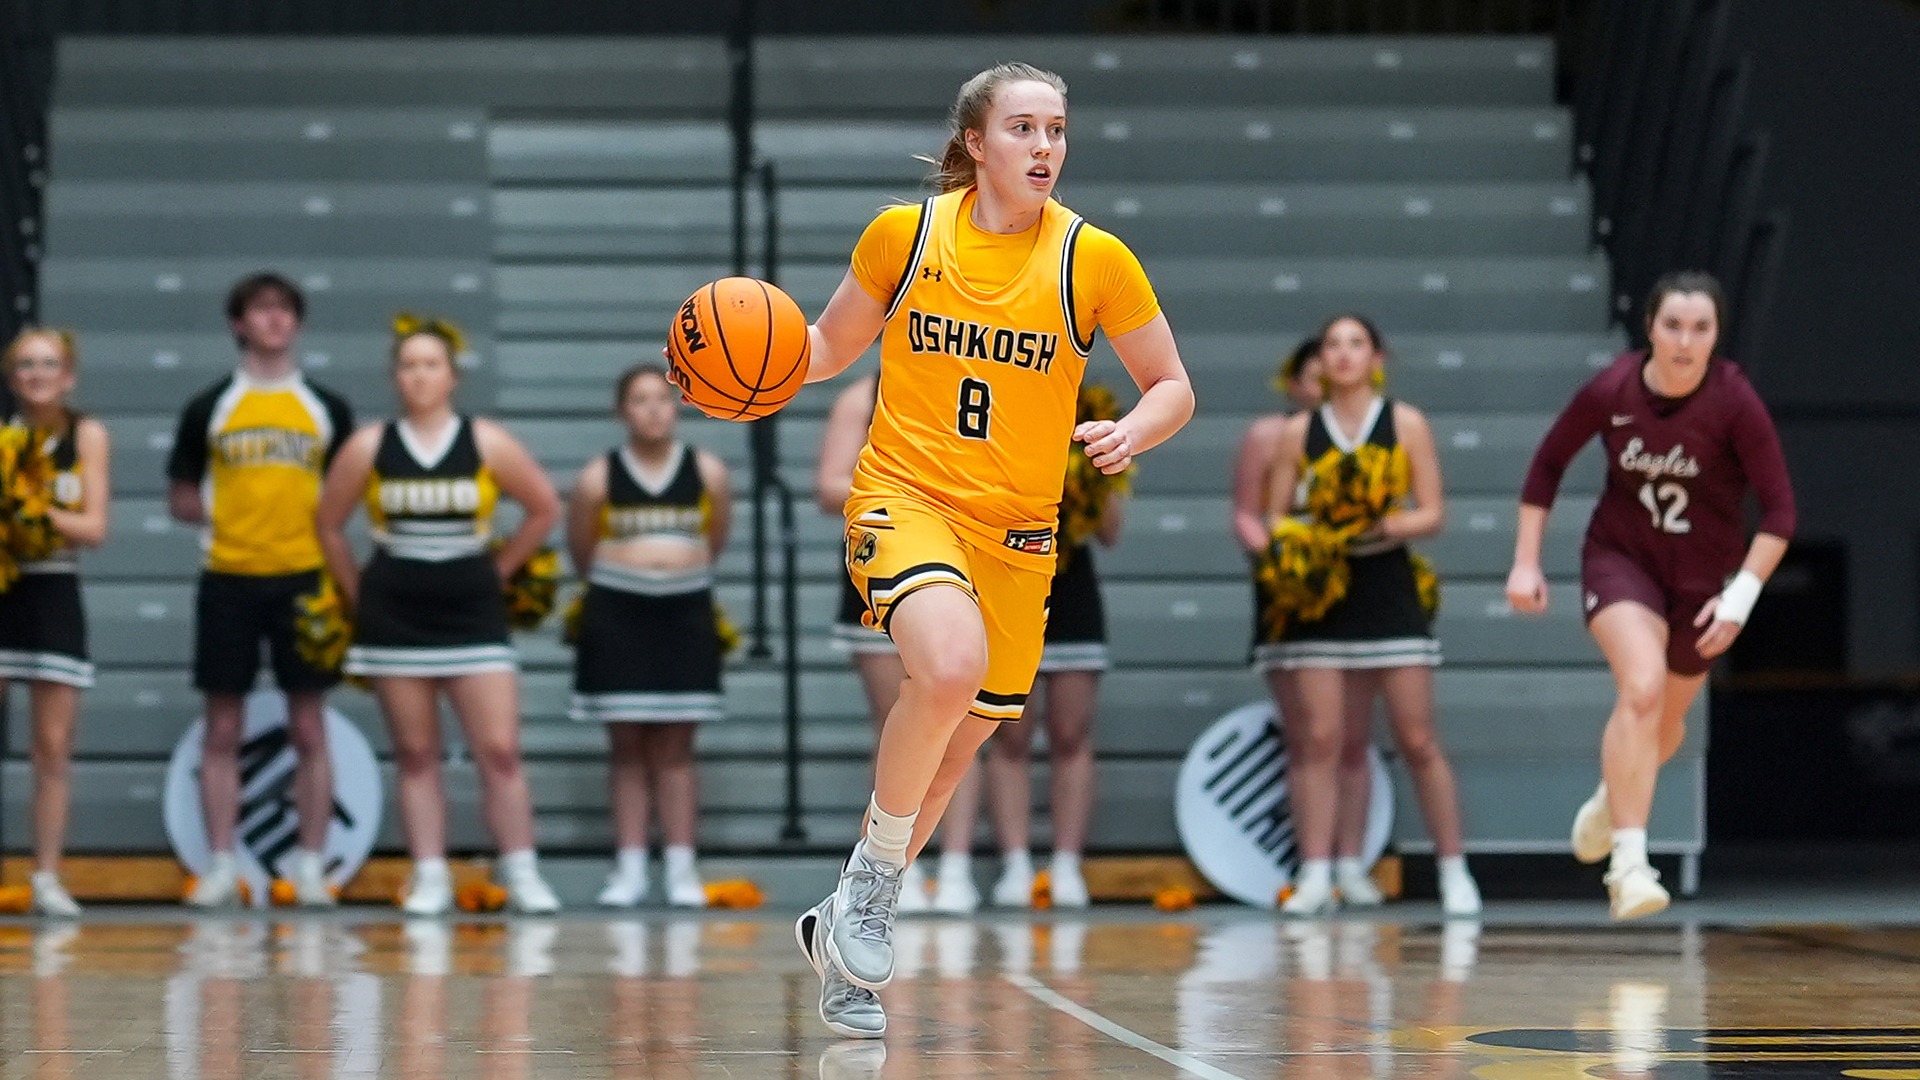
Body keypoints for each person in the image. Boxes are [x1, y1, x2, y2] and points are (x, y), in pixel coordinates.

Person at [789, 61, 1194, 1039]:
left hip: (1019, 535)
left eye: (1056, 129)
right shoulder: (906, 234)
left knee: (951, 754)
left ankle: (846, 930)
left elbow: (1172, 383)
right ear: (975, 142)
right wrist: (738, 363)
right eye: (1023, 129)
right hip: (906, 496)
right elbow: (822, 347)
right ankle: (874, 899)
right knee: (949, 665)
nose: (1045, 147)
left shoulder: (1094, 259)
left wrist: (1133, 430)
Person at [1508, 271, 1794, 920]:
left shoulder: (1735, 402)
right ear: (1650, 329)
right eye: (1673, 326)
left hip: (1702, 582)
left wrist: (1740, 597)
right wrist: (1526, 561)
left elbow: (1780, 512)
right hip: (1622, 561)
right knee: (1639, 688)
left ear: (1718, 335)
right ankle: (1630, 866)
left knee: (1664, 724)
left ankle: (1612, 803)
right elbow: (1548, 464)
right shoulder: (1612, 389)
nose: (1685, 341)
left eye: (1701, 329)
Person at [314, 317, 562, 915]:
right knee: (416, 753)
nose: (420, 375)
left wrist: (496, 572)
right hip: (395, 611)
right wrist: (358, 593)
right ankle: (429, 873)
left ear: (451, 375)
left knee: (499, 749)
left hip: (472, 611)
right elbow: (328, 524)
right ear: (395, 377)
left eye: (431, 364)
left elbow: (543, 508)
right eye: (408, 365)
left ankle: (521, 871)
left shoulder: (486, 442)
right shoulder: (369, 446)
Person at [1262, 315, 1480, 917]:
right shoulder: (1298, 432)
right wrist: (1313, 535)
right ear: (1320, 361)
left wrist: (1383, 522)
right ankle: (1314, 872)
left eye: (1356, 344)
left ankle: (1454, 870)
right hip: (1323, 596)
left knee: (1416, 736)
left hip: (1389, 586)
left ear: (1376, 357)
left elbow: (1433, 512)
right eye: (1332, 344)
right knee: (1321, 739)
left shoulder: (1405, 423)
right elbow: (1275, 518)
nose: (1343, 354)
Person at [166, 273, 354, 908]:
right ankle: (220, 864)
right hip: (228, 576)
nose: (273, 321)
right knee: (222, 728)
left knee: (310, 729)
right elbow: (183, 497)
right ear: (237, 324)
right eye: (260, 310)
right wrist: (234, 510)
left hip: (304, 579)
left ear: (297, 324)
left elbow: (346, 494)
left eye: (284, 311)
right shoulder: (208, 407)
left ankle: (309, 865)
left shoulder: (326, 408)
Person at [566, 363, 733, 909]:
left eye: (663, 398)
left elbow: (718, 534)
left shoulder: (707, 471)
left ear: (680, 405)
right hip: (617, 615)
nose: (653, 409)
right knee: (627, 747)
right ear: (622, 411)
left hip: (685, 614)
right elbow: (580, 548)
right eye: (639, 400)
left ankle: (683, 867)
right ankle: (630, 867)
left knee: (678, 747)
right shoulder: (598, 476)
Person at [817, 373, 982, 914]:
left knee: (961, 716)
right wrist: (912, 490)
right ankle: (895, 870)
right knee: (897, 721)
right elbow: (829, 485)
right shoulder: (862, 395)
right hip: (887, 548)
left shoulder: (971, 377)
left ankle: (956, 865)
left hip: (962, 558)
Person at [1236, 337, 1380, 906]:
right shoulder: (1270, 436)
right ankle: (1311, 865)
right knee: (1311, 735)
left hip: (1361, 583)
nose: (1326, 381)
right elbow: (1247, 514)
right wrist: (1284, 559)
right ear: (1293, 382)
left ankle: (1352, 863)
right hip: (1294, 589)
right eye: (1312, 375)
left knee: (1354, 738)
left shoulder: (1367, 438)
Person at [980, 399, 1129, 910]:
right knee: (1009, 733)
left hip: (1073, 587)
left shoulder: (1093, 419)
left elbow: (1110, 532)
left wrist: (1094, 474)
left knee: (1072, 733)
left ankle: (1067, 863)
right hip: (1011, 575)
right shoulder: (1000, 407)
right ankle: (1015, 863)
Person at [0, 329, 110, 916]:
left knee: (52, 746)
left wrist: (31, 505)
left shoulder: (85, 435)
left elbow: (95, 528)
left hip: (54, 590)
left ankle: (46, 877)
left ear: (67, 375)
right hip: (2, 584)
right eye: (25, 365)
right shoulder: (1, 438)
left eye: (48, 364)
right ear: (12, 377)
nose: (37, 374)